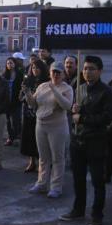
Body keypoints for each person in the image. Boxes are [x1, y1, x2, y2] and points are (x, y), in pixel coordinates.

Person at [59, 56, 112, 225]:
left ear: (100, 71)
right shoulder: (80, 88)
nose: (87, 72)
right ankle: (78, 209)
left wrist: (82, 117)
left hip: (96, 141)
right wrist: (76, 110)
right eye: (85, 69)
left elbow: (106, 117)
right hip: (78, 140)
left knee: (98, 180)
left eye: (91, 69)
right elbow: (76, 110)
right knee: (78, 178)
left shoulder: (106, 92)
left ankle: (97, 215)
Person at [27, 62, 73, 197]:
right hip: (41, 125)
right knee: (43, 157)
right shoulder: (42, 86)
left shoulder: (67, 88)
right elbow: (33, 104)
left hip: (57, 127)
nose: (56, 74)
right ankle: (41, 183)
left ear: (63, 74)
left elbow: (67, 106)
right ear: (50, 73)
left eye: (59, 72)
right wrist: (28, 94)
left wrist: (54, 89)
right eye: (54, 71)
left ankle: (56, 187)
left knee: (58, 158)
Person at [20, 58, 45, 173]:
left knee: (40, 140)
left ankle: (42, 162)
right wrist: (24, 92)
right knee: (29, 137)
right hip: (28, 114)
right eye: (33, 68)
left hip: (40, 114)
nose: (35, 70)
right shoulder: (28, 80)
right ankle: (31, 161)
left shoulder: (45, 81)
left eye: (37, 68)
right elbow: (20, 98)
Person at [4, 55, 24, 145]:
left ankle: (18, 136)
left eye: (11, 63)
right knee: (8, 121)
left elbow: (22, 86)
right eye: (8, 63)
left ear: (14, 64)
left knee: (16, 120)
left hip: (16, 101)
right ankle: (10, 137)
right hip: (7, 102)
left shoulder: (19, 74)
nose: (9, 65)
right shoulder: (4, 75)